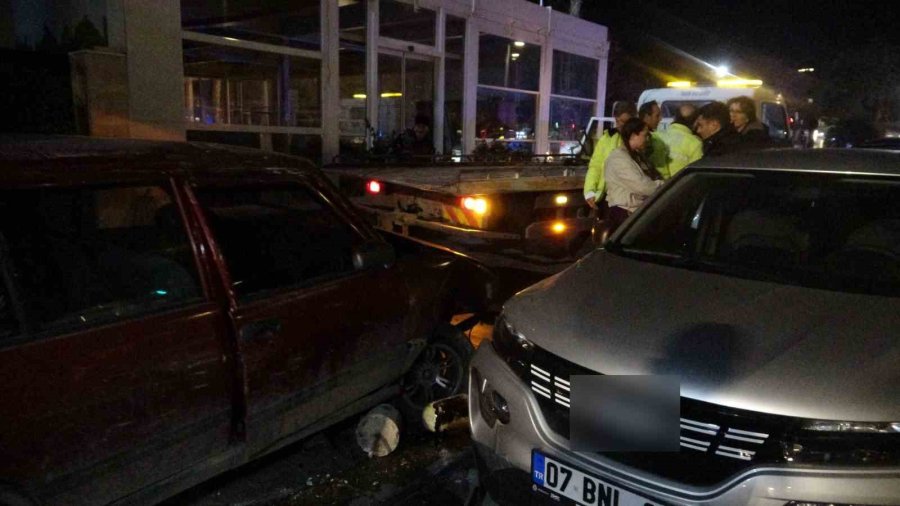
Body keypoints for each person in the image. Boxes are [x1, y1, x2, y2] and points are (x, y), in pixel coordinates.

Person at [603, 117, 665, 234]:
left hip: (633, 212)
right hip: (624, 214)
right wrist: (663, 185)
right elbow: (644, 187)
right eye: (645, 135)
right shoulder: (619, 159)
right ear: (633, 135)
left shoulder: (636, 156)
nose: (647, 139)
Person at [584, 101, 637, 209]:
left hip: (629, 202)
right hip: (608, 199)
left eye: (624, 121)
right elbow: (596, 166)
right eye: (617, 121)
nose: (620, 125)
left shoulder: (639, 140)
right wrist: (589, 191)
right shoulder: (607, 139)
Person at [657, 104, 703, 177]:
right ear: (695, 122)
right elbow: (695, 174)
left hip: (660, 185)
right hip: (682, 186)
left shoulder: (658, 136)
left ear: (675, 118)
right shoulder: (695, 143)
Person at [638, 100, 671, 178]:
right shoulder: (643, 140)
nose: (660, 119)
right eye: (657, 116)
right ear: (647, 117)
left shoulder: (655, 137)